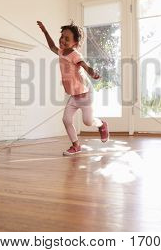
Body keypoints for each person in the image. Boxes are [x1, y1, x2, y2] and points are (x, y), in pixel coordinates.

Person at [37, 20, 109, 155]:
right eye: (62, 36)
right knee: (66, 120)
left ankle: (101, 124)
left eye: (67, 39)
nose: (62, 40)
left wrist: (91, 71)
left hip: (85, 94)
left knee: (88, 121)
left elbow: (83, 64)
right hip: (74, 95)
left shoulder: (75, 54)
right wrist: (45, 32)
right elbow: (52, 46)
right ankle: (76, 145)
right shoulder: (61, 52)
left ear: (75, 43)